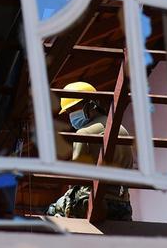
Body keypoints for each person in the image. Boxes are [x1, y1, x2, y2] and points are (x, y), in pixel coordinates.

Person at [47, 81, 133, 221]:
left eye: (72, 110)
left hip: (90, 203)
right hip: (122, 206)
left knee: (53, 209)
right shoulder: (123, 130)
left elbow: (77, 174)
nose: (71, 116)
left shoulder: (84, 132)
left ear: (89, 105)